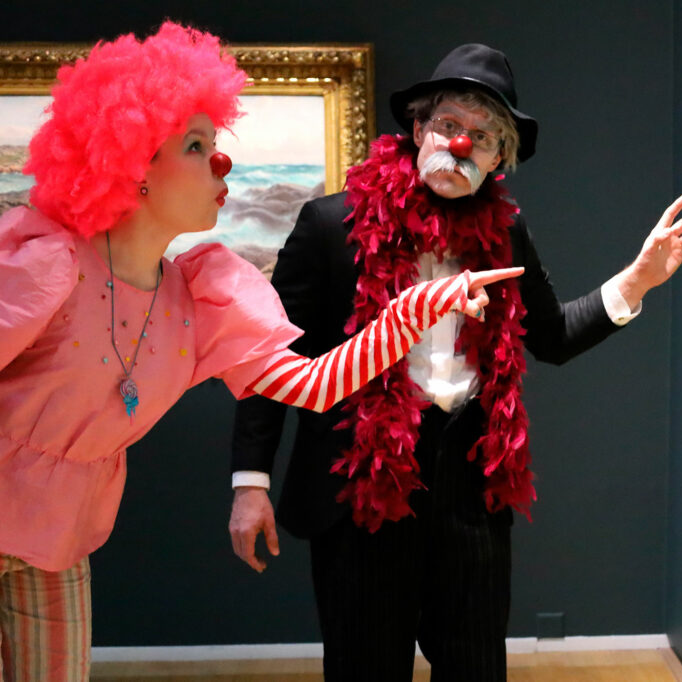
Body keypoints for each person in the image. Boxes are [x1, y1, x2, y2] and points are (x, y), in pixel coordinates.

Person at [0, 25, 519, 682]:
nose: (222, 163)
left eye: (215, 143)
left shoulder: (200, 296)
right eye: (196, 146)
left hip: (55, 540)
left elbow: (312, 384)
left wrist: (407, 315)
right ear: (131, 166)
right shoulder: (48, 265)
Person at [229, 43, 682, 681]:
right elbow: (274, 361)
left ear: (499, 159)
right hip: (360, 487)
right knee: (365, 668)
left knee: (476, 668)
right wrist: (250, 483)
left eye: (482, 137)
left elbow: (553, 336)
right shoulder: (329, 225)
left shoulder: (507, 235)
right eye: (449, 125)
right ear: (418, 131)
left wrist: (637, 281)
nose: (461, 145)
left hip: (470, 486)